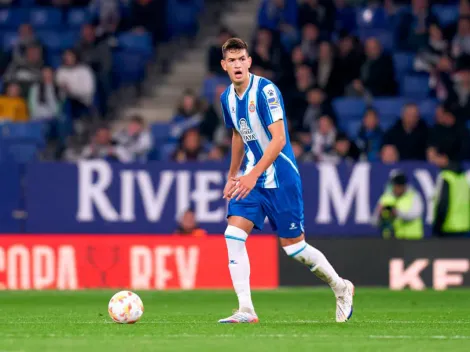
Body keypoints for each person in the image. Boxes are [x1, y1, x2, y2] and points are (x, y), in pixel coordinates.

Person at [218, 38, 353, 324]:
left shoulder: (265, 91)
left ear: (249, 61)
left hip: (281, 178)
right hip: (252, 178)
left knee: (295, 249)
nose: (238, 64)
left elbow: (278, 139)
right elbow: (238, 135)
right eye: (232, 60)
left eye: (242, 58)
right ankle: (246, 310)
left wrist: (252, 174)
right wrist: (233, 174)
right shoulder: (227, 97)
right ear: (224, 65)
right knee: (233, 236)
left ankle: (341, 287)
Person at [372, 171, 424, 240]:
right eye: (394, 185)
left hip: (412, 239)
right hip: (390, 240)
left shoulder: (413, 196)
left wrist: (397, 213)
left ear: (403, 186)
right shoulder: (385, 197)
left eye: (398, 186)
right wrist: (379, 215)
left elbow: (416, 213)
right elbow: (374, 221)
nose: (396, 188)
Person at [432, 147, 470, 237]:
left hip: (449, 228)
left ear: (444, 157)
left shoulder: (446, 177)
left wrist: (437, 226)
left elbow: (443, 203)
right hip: (465, 226)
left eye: (437, 157)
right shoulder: (463, 177)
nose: (434, 162)